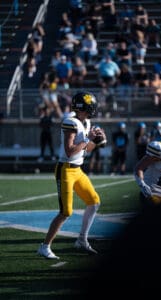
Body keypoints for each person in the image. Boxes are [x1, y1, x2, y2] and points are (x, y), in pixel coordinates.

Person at [37, 91, 107, 259]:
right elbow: (70, 152)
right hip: (66, 169)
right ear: (80, 108)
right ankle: (45, 246)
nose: (92, 110)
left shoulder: (87, 122)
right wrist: (87, 139)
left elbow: (86, 150)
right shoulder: (70, 122)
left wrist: (97, 141)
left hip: (78, 169)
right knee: (66, 212)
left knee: (94, 201)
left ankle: (82, 239)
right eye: (89, 107)